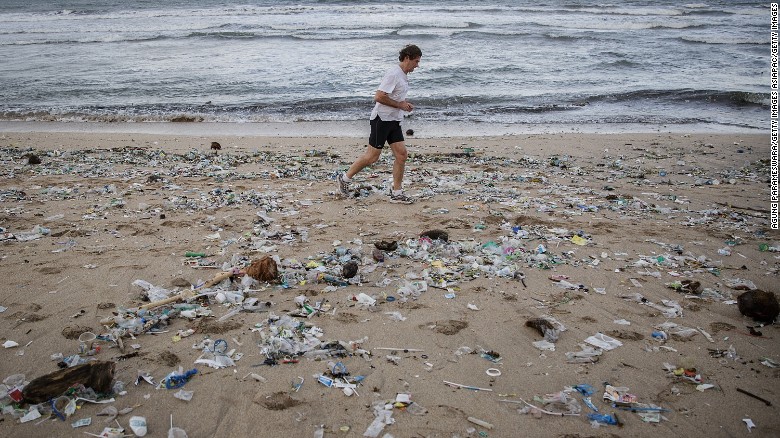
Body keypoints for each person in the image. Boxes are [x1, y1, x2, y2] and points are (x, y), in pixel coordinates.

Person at [337, 44, 422, 204]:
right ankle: (344, 178)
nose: (417, 66)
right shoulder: (394, 74)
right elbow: (379, 97)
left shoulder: (402, 75)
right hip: (381, 120)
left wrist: (404, 104)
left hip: (394, 121)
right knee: (372, 157)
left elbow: (394, 96)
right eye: (416, 62)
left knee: (402, 155)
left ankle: (397, 193)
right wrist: (400, 105)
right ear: (407, 58)